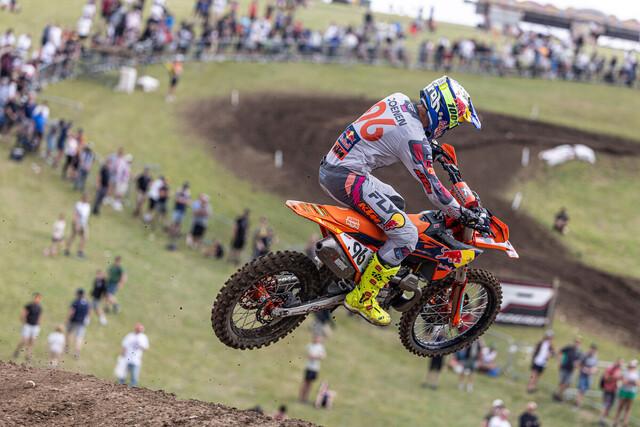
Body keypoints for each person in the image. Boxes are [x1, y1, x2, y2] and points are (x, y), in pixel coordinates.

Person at [318, 76, 487, 325]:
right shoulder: (413, 139)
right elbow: (433, 189)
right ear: (443, 115)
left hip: (337, 167)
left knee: (395, 203)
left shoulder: (398, 99)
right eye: (451, 124)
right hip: (347, 178)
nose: (448, 129)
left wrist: (431, 145)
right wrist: (463, 214)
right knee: (407, 236)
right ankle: (362, 297)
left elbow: (399, 130)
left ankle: (358, 262)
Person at [12, 293, 43, 362]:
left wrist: (39, 323)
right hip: (28, 324)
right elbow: (23, 314)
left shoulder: (39, 307)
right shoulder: (29, 305)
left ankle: (28, 355)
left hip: (35, 326)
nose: (37, 299)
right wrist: (24, 321)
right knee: (24, 340)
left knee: (32, 341)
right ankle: (17, 351)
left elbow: (40, 316)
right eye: (36, 298)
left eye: (39, 298)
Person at [553, 337, 582, 401]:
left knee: (567, 384)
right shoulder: (569, 348)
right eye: (576, 342)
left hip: (571, 370)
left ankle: (558, 394)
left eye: (578, 343)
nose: (577, 344)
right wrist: (559, 361)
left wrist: (577, 365)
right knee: (561, 382)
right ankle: (558, 395)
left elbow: (579, 361)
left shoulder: (579, 352)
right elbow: (560, 351)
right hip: (563, 368)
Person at [299, 334, 326, 403]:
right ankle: (301, 398)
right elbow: (308, 355)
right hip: (309, 367)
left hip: (315, 368)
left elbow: (323, 356)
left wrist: (316, 357)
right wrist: (315, 356)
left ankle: (306, 398)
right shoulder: (310, 345)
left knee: (310, 384)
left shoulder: (320, 347)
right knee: (305, 383)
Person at [66, 288, 90, 359]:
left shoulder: (76, 301)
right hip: (82, 322)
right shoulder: (87, 303)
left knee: (69, 334)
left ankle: (67, 348)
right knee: (79, 338)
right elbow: (89, 312)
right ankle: (77, 353)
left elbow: (72, 311)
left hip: (73, 321)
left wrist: (67, 319)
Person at [65, 193, 91, 258]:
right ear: (84, 198)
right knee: (73, 236)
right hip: (77, 223)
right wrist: (77, 224)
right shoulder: (78, 204)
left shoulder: (87, 205)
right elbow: (75, 215)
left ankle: (80, 251)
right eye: (87, 198)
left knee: (84, 237)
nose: (88, 200)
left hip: (84, 224)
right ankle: (67, 250)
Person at [613, 359, 638, 427]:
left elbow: (638, 383)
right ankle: (615, 421)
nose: (632, 367)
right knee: (620, 407)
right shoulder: (626, 372)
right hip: (624, 391)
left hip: (632, 392)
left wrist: (632, 382)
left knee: (628, 408)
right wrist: (631, 382)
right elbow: (623, 381)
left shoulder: (637, 373)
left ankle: (625, 423)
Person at [167, 182, 191, 250]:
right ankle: (171, 234)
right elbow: (177, 199)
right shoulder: (179, 191)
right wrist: (184, 201)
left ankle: (176, 234)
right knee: (174, 222)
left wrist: (183, 200)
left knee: (179, 224)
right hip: (177, 209)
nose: (186, 188)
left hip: (182, 210)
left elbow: (188, 202)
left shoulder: (188, 193)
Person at [600, 358, 624, 425]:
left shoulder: (619, 370)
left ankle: (604, 419)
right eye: (620, 362)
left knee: (610, 406)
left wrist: (621, 379)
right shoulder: (610, 368)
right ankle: (601, 420)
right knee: (606, 405)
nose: (621, 364)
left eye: (622, 363)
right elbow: (606, 378)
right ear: (617, 362)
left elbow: (620, 379)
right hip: (608, 389)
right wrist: (614, 377)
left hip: (614, 390)